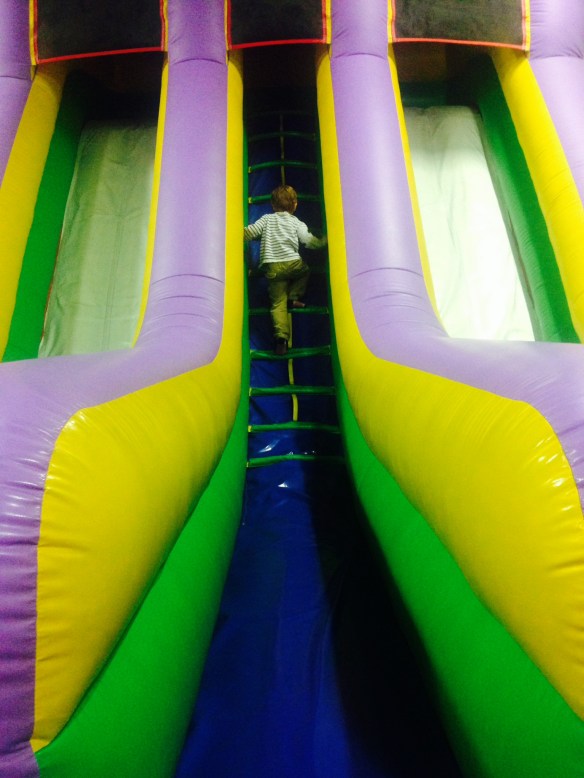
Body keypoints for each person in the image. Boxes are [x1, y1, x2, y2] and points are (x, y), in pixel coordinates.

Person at [244, 184, 327, 355]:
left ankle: (281, 338)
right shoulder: (296, 222)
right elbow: (307, 240)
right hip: (293, 264)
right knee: (305, 271)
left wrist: (242, 232)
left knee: (277, 303)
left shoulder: (266, 219)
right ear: (295, 205)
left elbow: (251, 232)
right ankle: (294, 296)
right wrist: (322, 242)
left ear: (273, 205)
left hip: (273, 267)